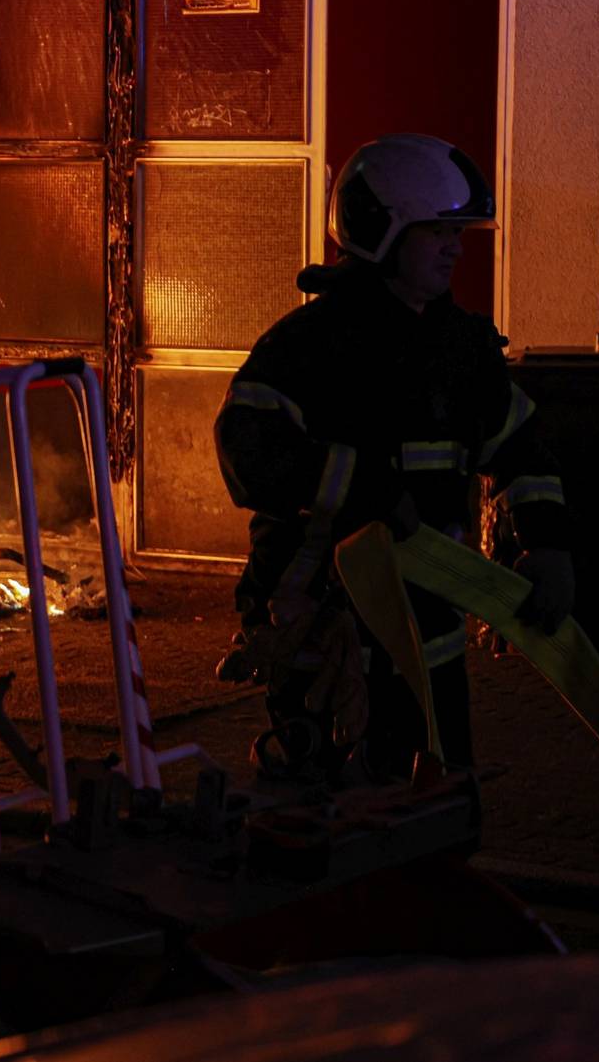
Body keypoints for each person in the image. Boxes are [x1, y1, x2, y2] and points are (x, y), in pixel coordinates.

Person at [213, 134, 574, 782]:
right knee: (331, 831)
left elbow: (524, 447)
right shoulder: (309, 347)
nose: (454, 246)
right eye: (435, 230)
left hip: (429, 635)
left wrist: (546, 545)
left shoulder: (460, 351)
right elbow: (246, 451)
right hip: (327, 636)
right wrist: (367, 491)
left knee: (441, 811)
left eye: (457, 231)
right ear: (378, 228)